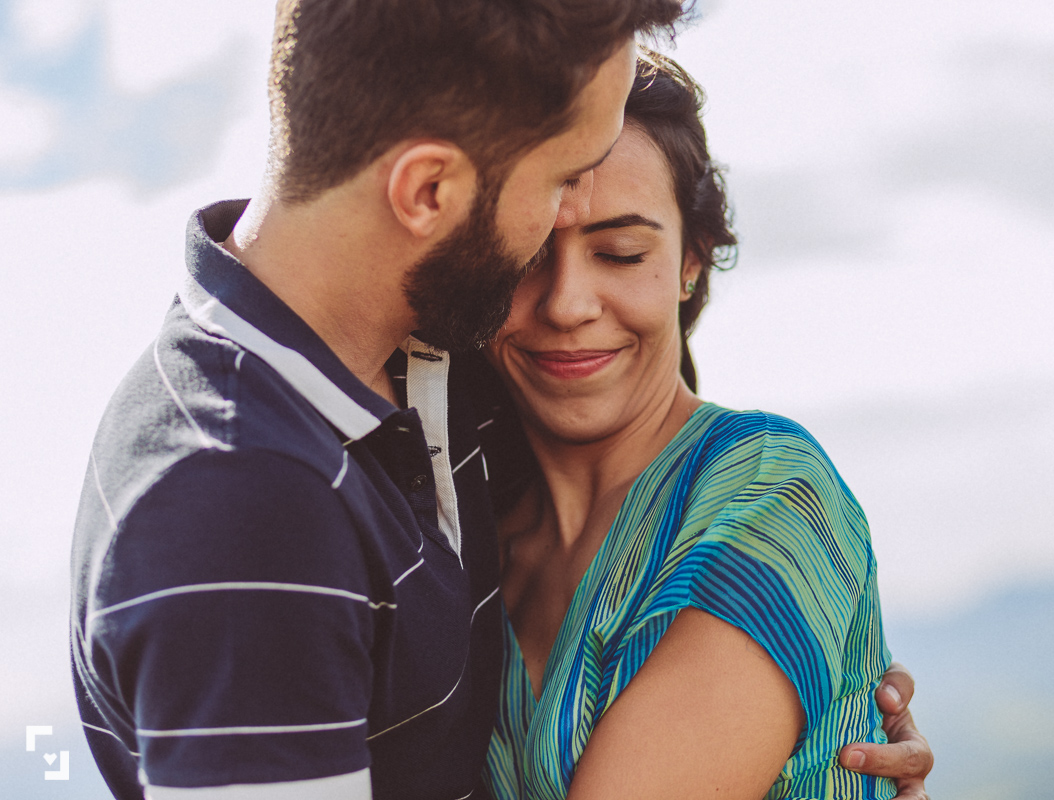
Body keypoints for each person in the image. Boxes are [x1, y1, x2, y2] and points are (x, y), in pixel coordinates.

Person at [70, 2, 681, 798]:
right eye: (565, 178)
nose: (573, 211)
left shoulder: (442, 342)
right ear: (429, 191)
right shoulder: (236, 509)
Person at [473, 54, 929, 799]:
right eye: (524, 257)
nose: (566, 303)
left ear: (692, 261)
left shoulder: (769, 492)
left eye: (621, 253)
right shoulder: (467, 543)